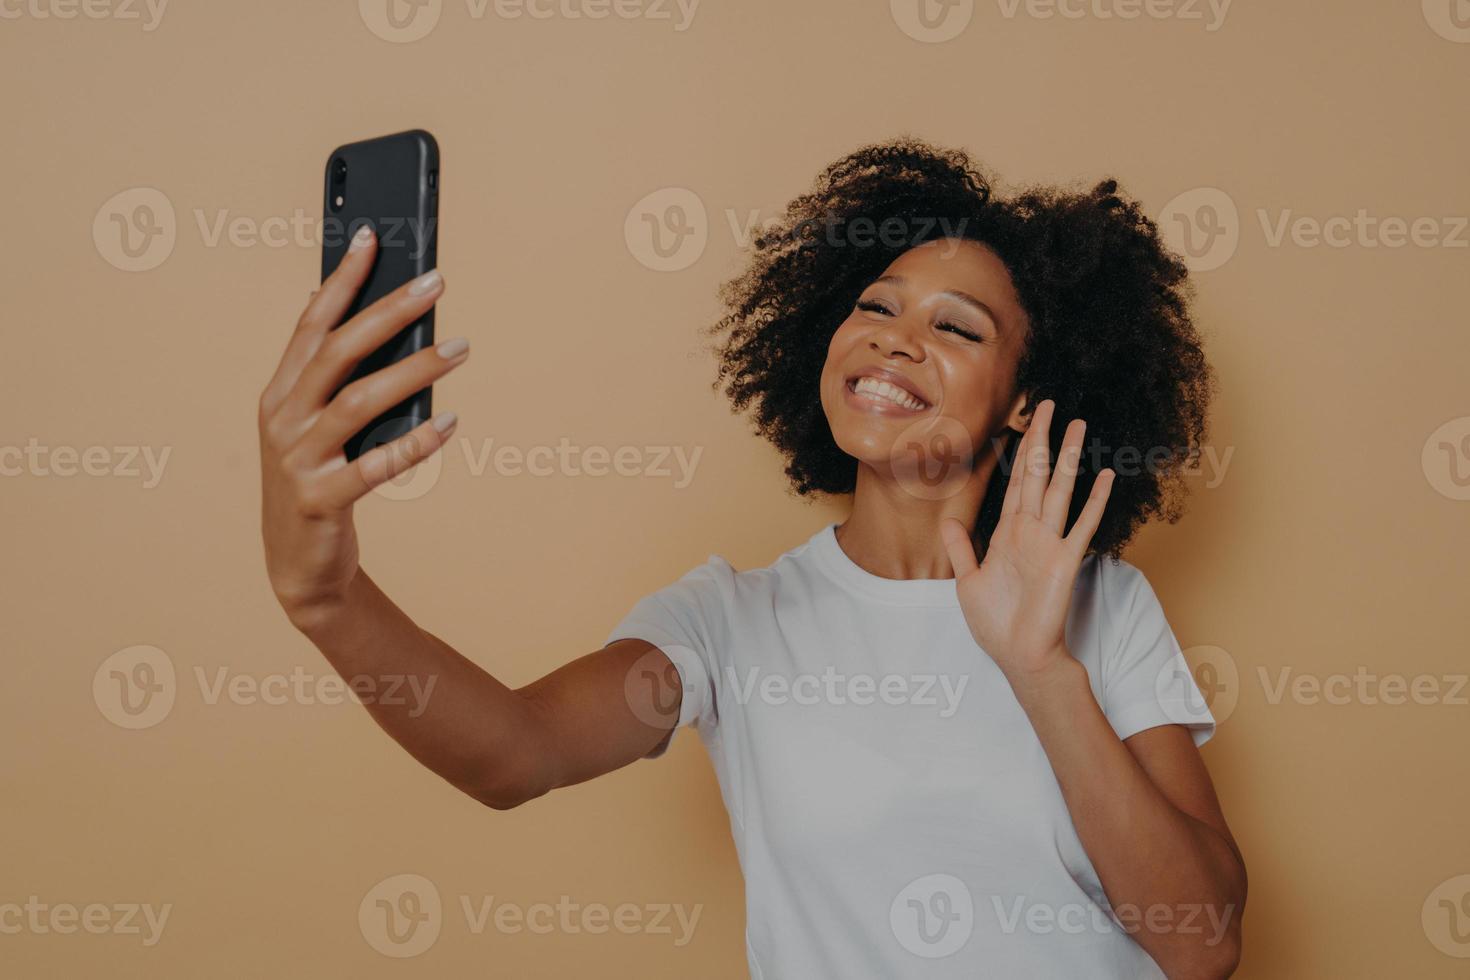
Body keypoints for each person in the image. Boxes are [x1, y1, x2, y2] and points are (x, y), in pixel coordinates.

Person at [258, 137, 1246, 978]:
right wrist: (328, 597)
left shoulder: (1101, 607)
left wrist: (1041, 670)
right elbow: (515, 751)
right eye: (875, 306)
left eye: (954, 326)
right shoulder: (731, 622)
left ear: (1029, 396)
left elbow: (1203, 941)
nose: (896, 342)